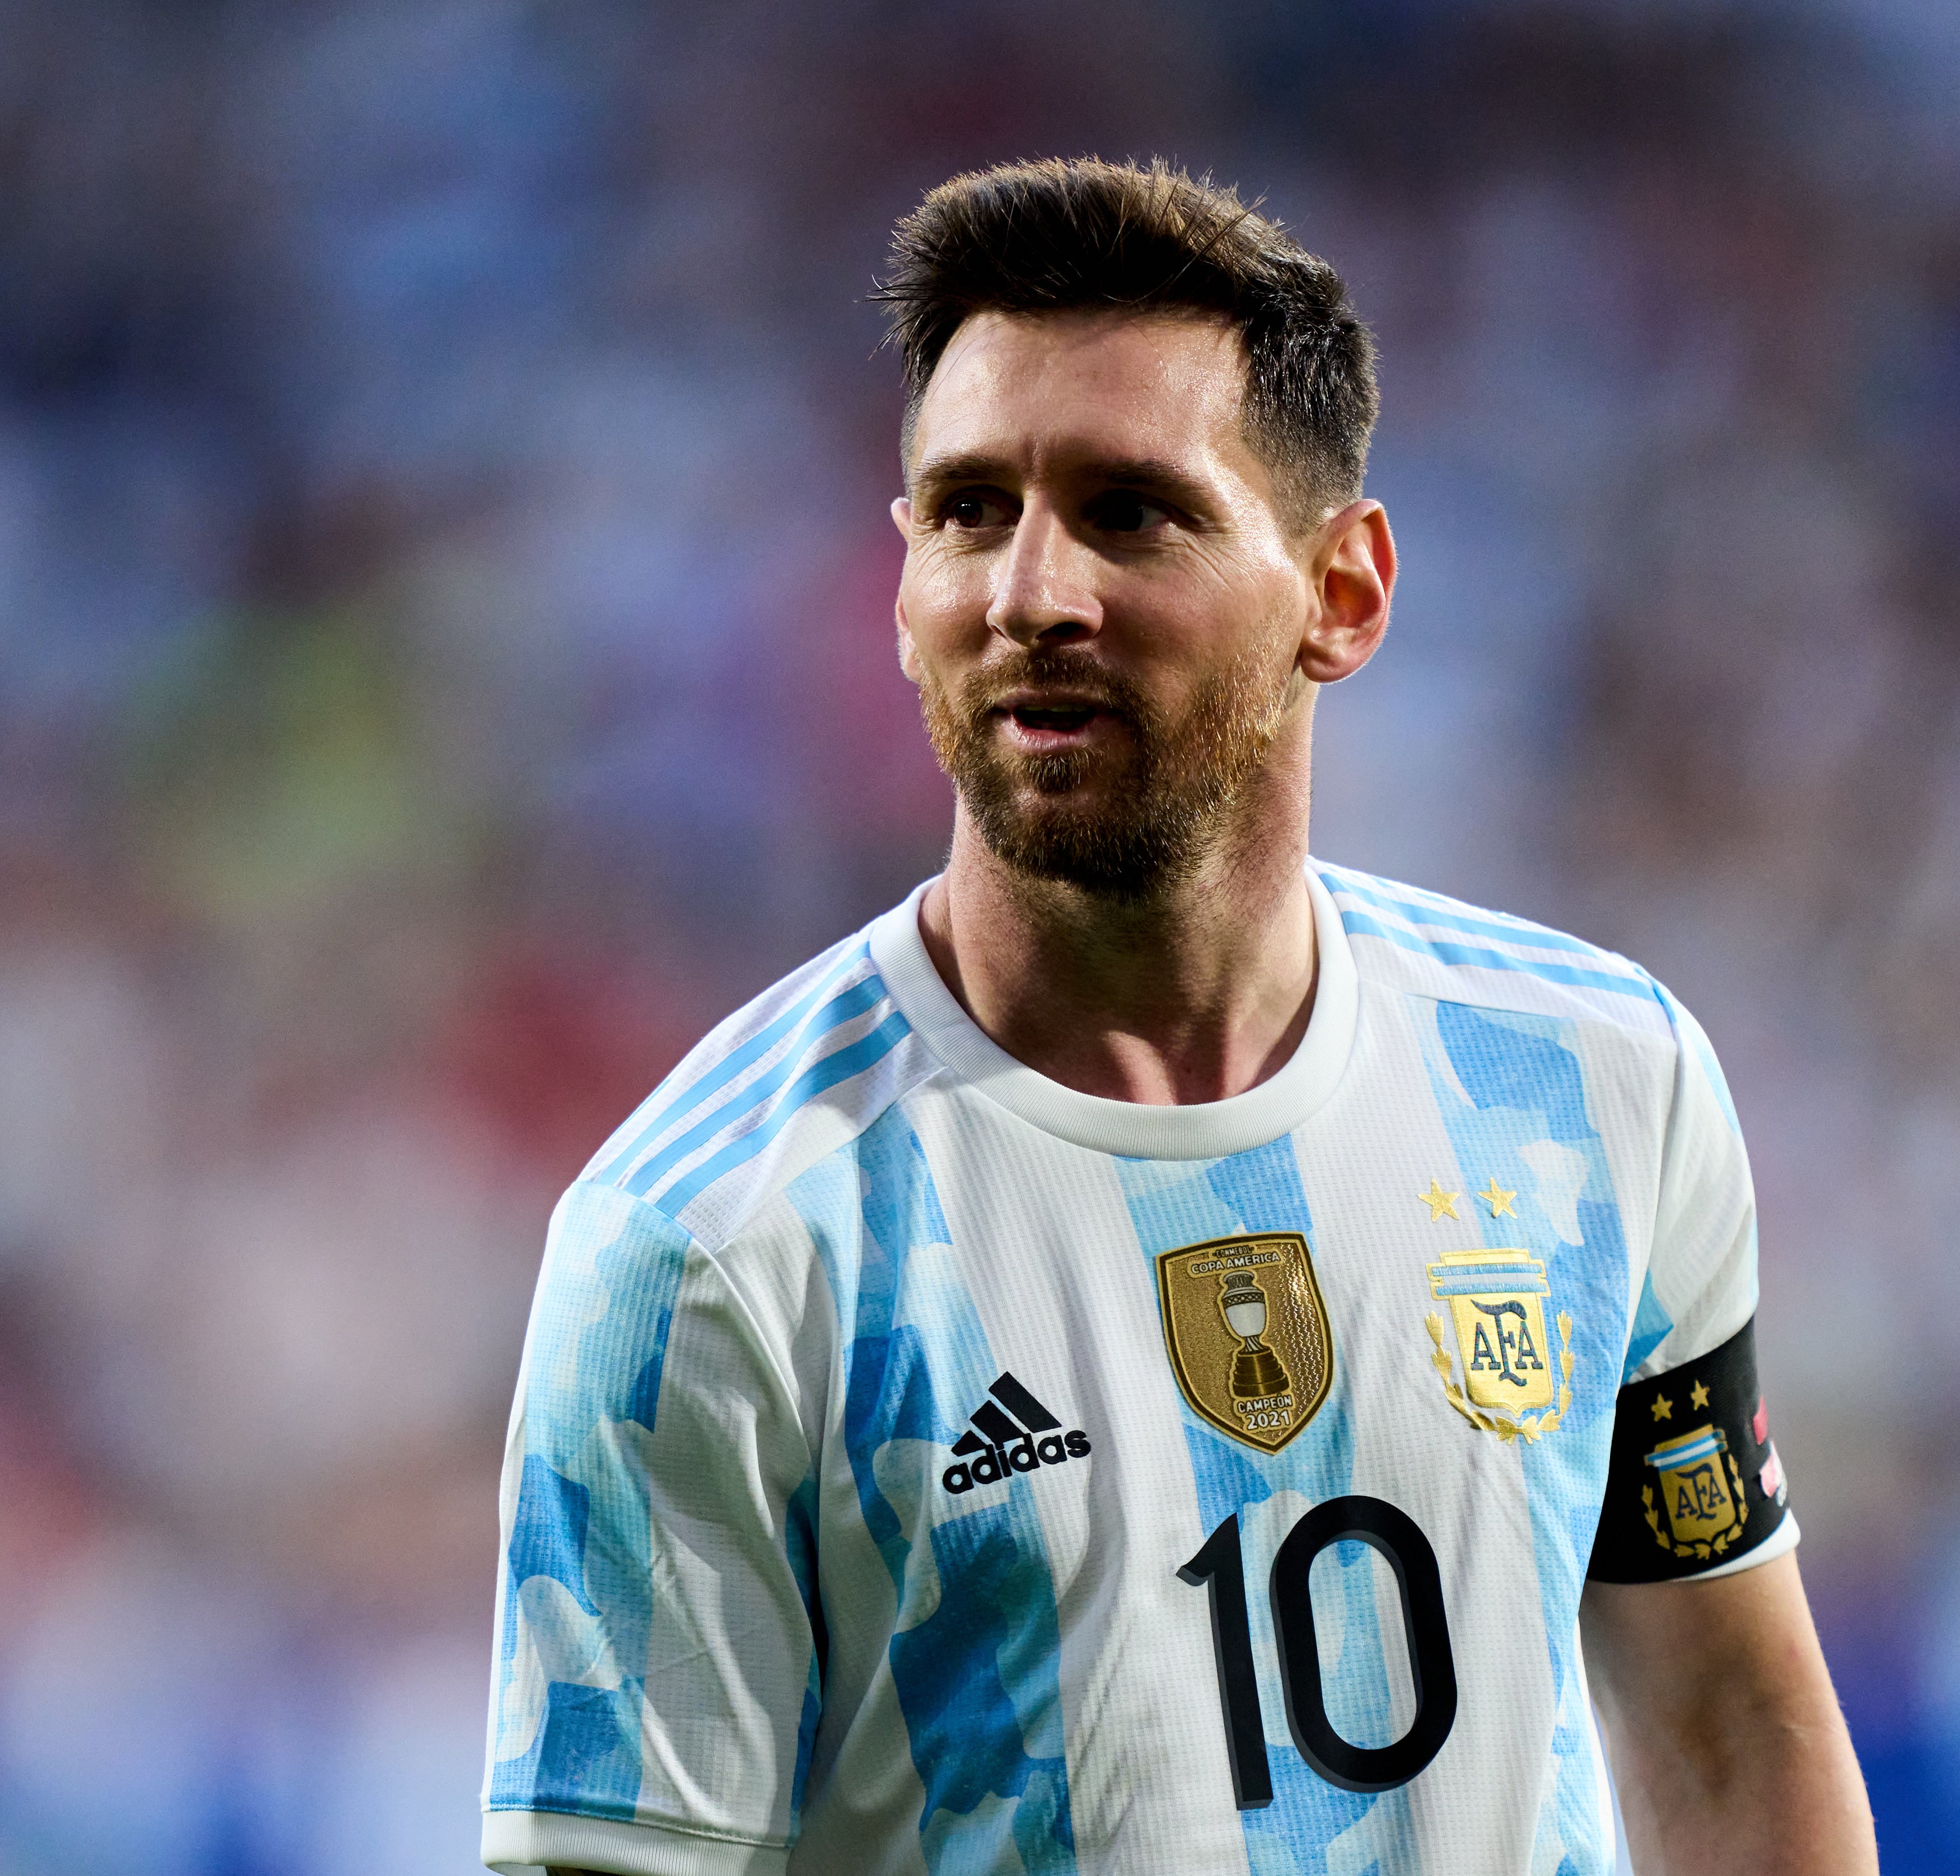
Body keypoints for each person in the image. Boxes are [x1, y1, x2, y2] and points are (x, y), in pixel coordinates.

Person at [482, 156, 1876, 1876]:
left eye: (1131, 511)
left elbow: (1734, 1725)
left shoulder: (1594, 1084)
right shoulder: (706, 1241)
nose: (1030, 594)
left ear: (1342, 595)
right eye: (970, 510)